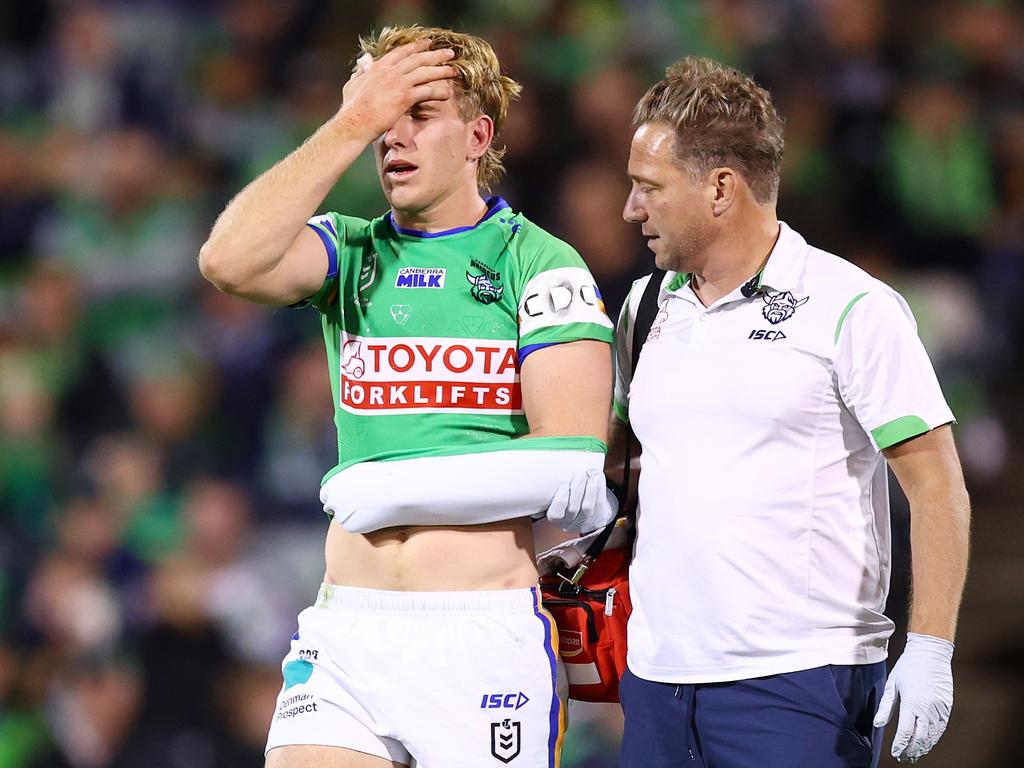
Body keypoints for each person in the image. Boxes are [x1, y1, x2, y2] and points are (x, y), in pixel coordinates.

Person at [198, 26, 615, 768]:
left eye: (419, 113)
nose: (394, 134)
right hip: (347, 629)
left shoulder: (539, 263)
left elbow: (573, 465)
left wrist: (393, 489)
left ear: (477, 134)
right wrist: (351, 118)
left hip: (477, 636)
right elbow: (227, 260)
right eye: (382, 115)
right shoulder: (348, 252)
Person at [548, 56, 971, 767]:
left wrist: (929, 648)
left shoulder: (853, 307)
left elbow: (935, 484)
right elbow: (627, 463)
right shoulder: (643, 306)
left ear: (720, 188)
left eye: (648, 187)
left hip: (803, 682)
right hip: (656, 681)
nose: (630, 208)